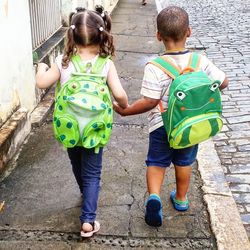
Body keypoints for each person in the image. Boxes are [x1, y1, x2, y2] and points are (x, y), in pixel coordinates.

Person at [113, 6, 229, 227]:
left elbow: (149, 101)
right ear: (189, 32)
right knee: (184, 161)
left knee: (156, 163)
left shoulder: (155, 66)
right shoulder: (200, 62)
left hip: (161, 126)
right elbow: (223, 82)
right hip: (189, 127)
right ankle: (181, 199)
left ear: (158, 36)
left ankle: (154, 196)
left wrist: (125, 111)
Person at [36, 6, 128, 237]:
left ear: (72, 35)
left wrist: (40, 67)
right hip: (94, 130)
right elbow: (120, 95)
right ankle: (88, 220)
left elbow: (42, 83)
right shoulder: (106, 64)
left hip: (70, 127)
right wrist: (124, 106)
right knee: (92, 173)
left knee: (77, 162)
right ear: (101, 34)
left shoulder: (63, 61)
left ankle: (85, 192)